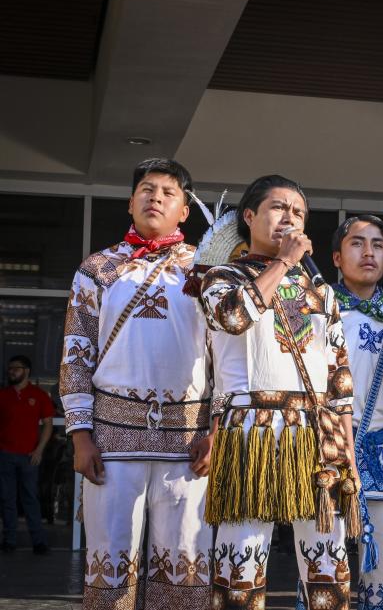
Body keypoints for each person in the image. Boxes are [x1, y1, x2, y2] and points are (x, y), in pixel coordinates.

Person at [199, 175, 358, 610]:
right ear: (249, 216)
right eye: (278, 207)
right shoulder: (221, 276)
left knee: (328, 560)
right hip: (250, 430)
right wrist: (285, 261)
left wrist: (349, 450)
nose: (290, 218)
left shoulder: (321, 289)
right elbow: (233, 318)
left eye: (299, 212)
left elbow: (339, 375)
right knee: (241, 557)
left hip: (319, 431)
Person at [60, 158, 214, 609]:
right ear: (130, 202)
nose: (156, 198)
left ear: (184, 210)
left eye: (168, 193)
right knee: (110, 562)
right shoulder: (96, 268)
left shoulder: (208, 270)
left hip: (189, 441)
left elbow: (226, 360)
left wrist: (218, 432)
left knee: (186, 563)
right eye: (147, 189)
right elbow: (76, 353)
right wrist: (80, 436)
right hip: (110, 438)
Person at [323, 215, 383, 610]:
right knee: (322, 568)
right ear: (336, 257)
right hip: (327, 453)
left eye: (377, 245)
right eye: (357, 243)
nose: (368, 252)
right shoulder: (315, 314)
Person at [0, 355, 54, 554]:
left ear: (27, 371)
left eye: (16, 368)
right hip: (5, 455)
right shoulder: (3, 395)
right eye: (10, 368)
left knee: (30, 498)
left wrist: (39, 450)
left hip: (29, 456)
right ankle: (9, 541)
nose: (11, 371)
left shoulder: (39, 395)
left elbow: (48, 424)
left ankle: (38, 542)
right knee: (7, 499)